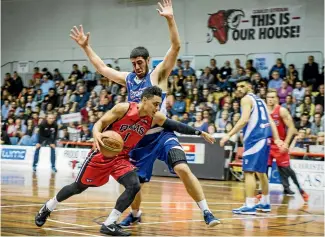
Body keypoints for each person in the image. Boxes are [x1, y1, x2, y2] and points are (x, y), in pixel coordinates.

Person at [70, 0, 220, 227]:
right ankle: (136, 214)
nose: (136, 67)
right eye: (133, 63)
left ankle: (207, 211)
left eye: (139, 62)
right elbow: (102, 68)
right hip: (138, 139)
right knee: (133, 183)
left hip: (162, 134)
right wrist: (85, 47)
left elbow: (176, 47)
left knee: (182, 168)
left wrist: (170, 19)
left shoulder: (158, 75)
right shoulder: (128, 79)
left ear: (148, 61)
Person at [34, 86, 216, 236]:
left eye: (159, 105)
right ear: (144, 100)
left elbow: (176, 125)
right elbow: (99, 123)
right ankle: (48, 207)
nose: (157, 108)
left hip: (121, 157)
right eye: (155, 104)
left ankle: (110, 223)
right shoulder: (123, 108)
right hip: (101, 154)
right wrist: (96, 133)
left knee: (134, 185)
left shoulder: (155, 117)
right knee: (78, 187)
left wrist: (199, 132)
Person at [220, 78, 283, 214]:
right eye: (237, 87)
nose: (239, 89)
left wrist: (228, 135)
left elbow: (244, 120)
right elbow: (271, 121)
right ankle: (265, 203)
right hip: (265, 139)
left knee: (248, 171)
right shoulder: (260, 101)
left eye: (242, 86)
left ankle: (249, 205)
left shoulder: (246, 99)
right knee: (261, 172)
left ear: (249, 86)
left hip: (255, 139)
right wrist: (276, 138)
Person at [266, 90, 309, 201]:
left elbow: (291, 127)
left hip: (279, 144)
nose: (270, 99)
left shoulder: (281, 110)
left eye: (272, 97)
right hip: (267, 144)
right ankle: (262, 193)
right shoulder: (264, 111)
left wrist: (286, 143)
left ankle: (301, 190)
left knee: (287, 169)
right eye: (268, 97)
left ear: (276, 98)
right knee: (264, 169)